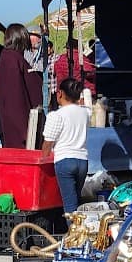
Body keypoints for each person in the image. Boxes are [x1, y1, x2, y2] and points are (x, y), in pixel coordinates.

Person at [43, 78, 93, 211]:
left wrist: (43, 157)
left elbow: (48, 143)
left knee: (70, 204)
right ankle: (78, 230)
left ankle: (72, 231)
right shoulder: (85, 113)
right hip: (82, 162)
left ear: (60, 93)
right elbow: (87, 103)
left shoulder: (56, 115)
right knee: (76, 200)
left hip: (65, 161)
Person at [0, 23, 42, 149]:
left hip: (20, 123)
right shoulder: (11, 60)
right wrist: (23, 131)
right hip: (18, 129)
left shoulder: (13, 58)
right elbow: (14, 98)